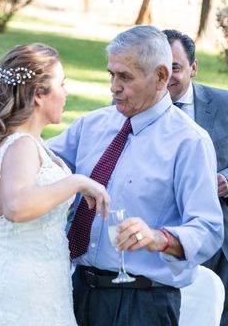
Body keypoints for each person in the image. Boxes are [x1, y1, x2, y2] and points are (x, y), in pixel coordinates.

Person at [47, 25, 223, 325]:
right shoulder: (92, 124)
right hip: (76, 291)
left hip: (141, 304)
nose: (114, 87)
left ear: (161, 77)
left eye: (125, 77)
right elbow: (38, 162)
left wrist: (159, 238)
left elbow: (208, 229)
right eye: (111, 74)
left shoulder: (189, 141)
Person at [0, 43, 111, 326]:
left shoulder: (16, 143)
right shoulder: (20, 144)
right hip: (25, 289)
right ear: (39, 94)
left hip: (31, 282)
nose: (66, 93)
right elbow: (16, 206)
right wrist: (77, 182)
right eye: (61, 84)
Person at [163, 28, 228, 325]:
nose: (166, 77)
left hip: (220, 236)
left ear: (194, 67)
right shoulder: (131, 108)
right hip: (161, 238)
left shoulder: (224, 104)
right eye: (159, 68)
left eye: (175, 67)